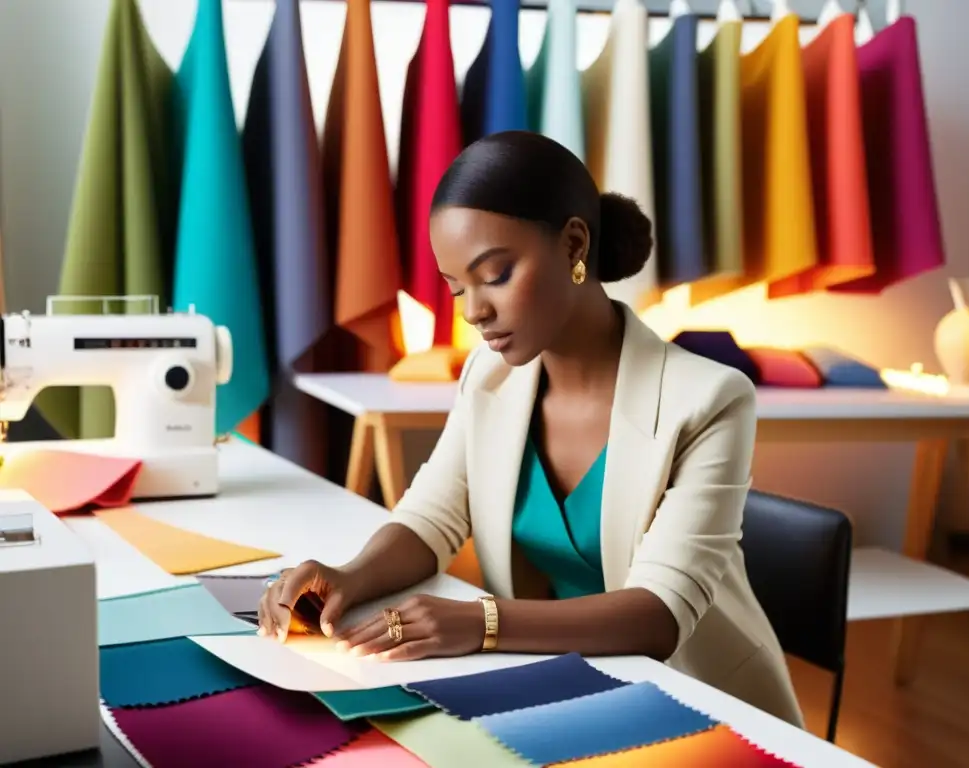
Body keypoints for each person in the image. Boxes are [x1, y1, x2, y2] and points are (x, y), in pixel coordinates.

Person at [258, 130, 804, 727]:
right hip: (558, 681)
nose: (473, 311)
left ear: (573, 244)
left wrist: (482, 621)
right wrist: (348, 577)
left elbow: (658, 616)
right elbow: (431, 519)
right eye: (457, 287)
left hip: (701, 705)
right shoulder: (489, 377)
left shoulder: (710, 399)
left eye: (495, 274)